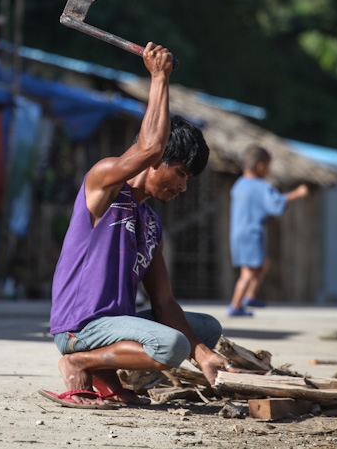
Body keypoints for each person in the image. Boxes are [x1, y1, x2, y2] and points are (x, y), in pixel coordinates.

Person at [39, 42, 236, 410]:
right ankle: (79, 362)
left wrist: (203, 355)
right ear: (155, 162)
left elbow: (163, 302)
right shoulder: (104, 187)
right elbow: (148, 147)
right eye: (180, 172)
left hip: (116, 326)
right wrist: (159, 77)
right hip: (80, 329)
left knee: (205, 329)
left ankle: (106, 375)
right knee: (172, 345)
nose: (182, 186)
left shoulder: (151, 224)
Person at [227, 144, 309, 317]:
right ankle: (235, 306)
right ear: (261, 166)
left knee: (262, 264)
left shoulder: (238, 184)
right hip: (252, 232)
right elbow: (275, 204)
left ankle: (249, 297)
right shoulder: (260, 186)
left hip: (238, 233)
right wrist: (297, 193)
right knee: (248, 272)